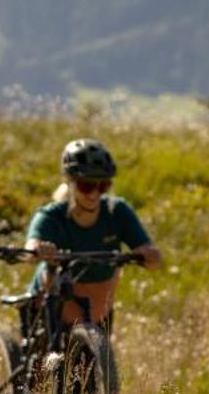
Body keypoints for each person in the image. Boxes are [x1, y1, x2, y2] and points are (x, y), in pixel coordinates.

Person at [23, 138, 165, 325]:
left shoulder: (118, 212)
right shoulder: (50, 216)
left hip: (97, 308)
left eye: (103, 186)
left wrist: (150, 256)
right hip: (49, 306)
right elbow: (30, 249)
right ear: (70, 182)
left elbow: (151, 257)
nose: (94, 194)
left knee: (97, 352)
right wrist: (39, 249)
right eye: (86, 185)